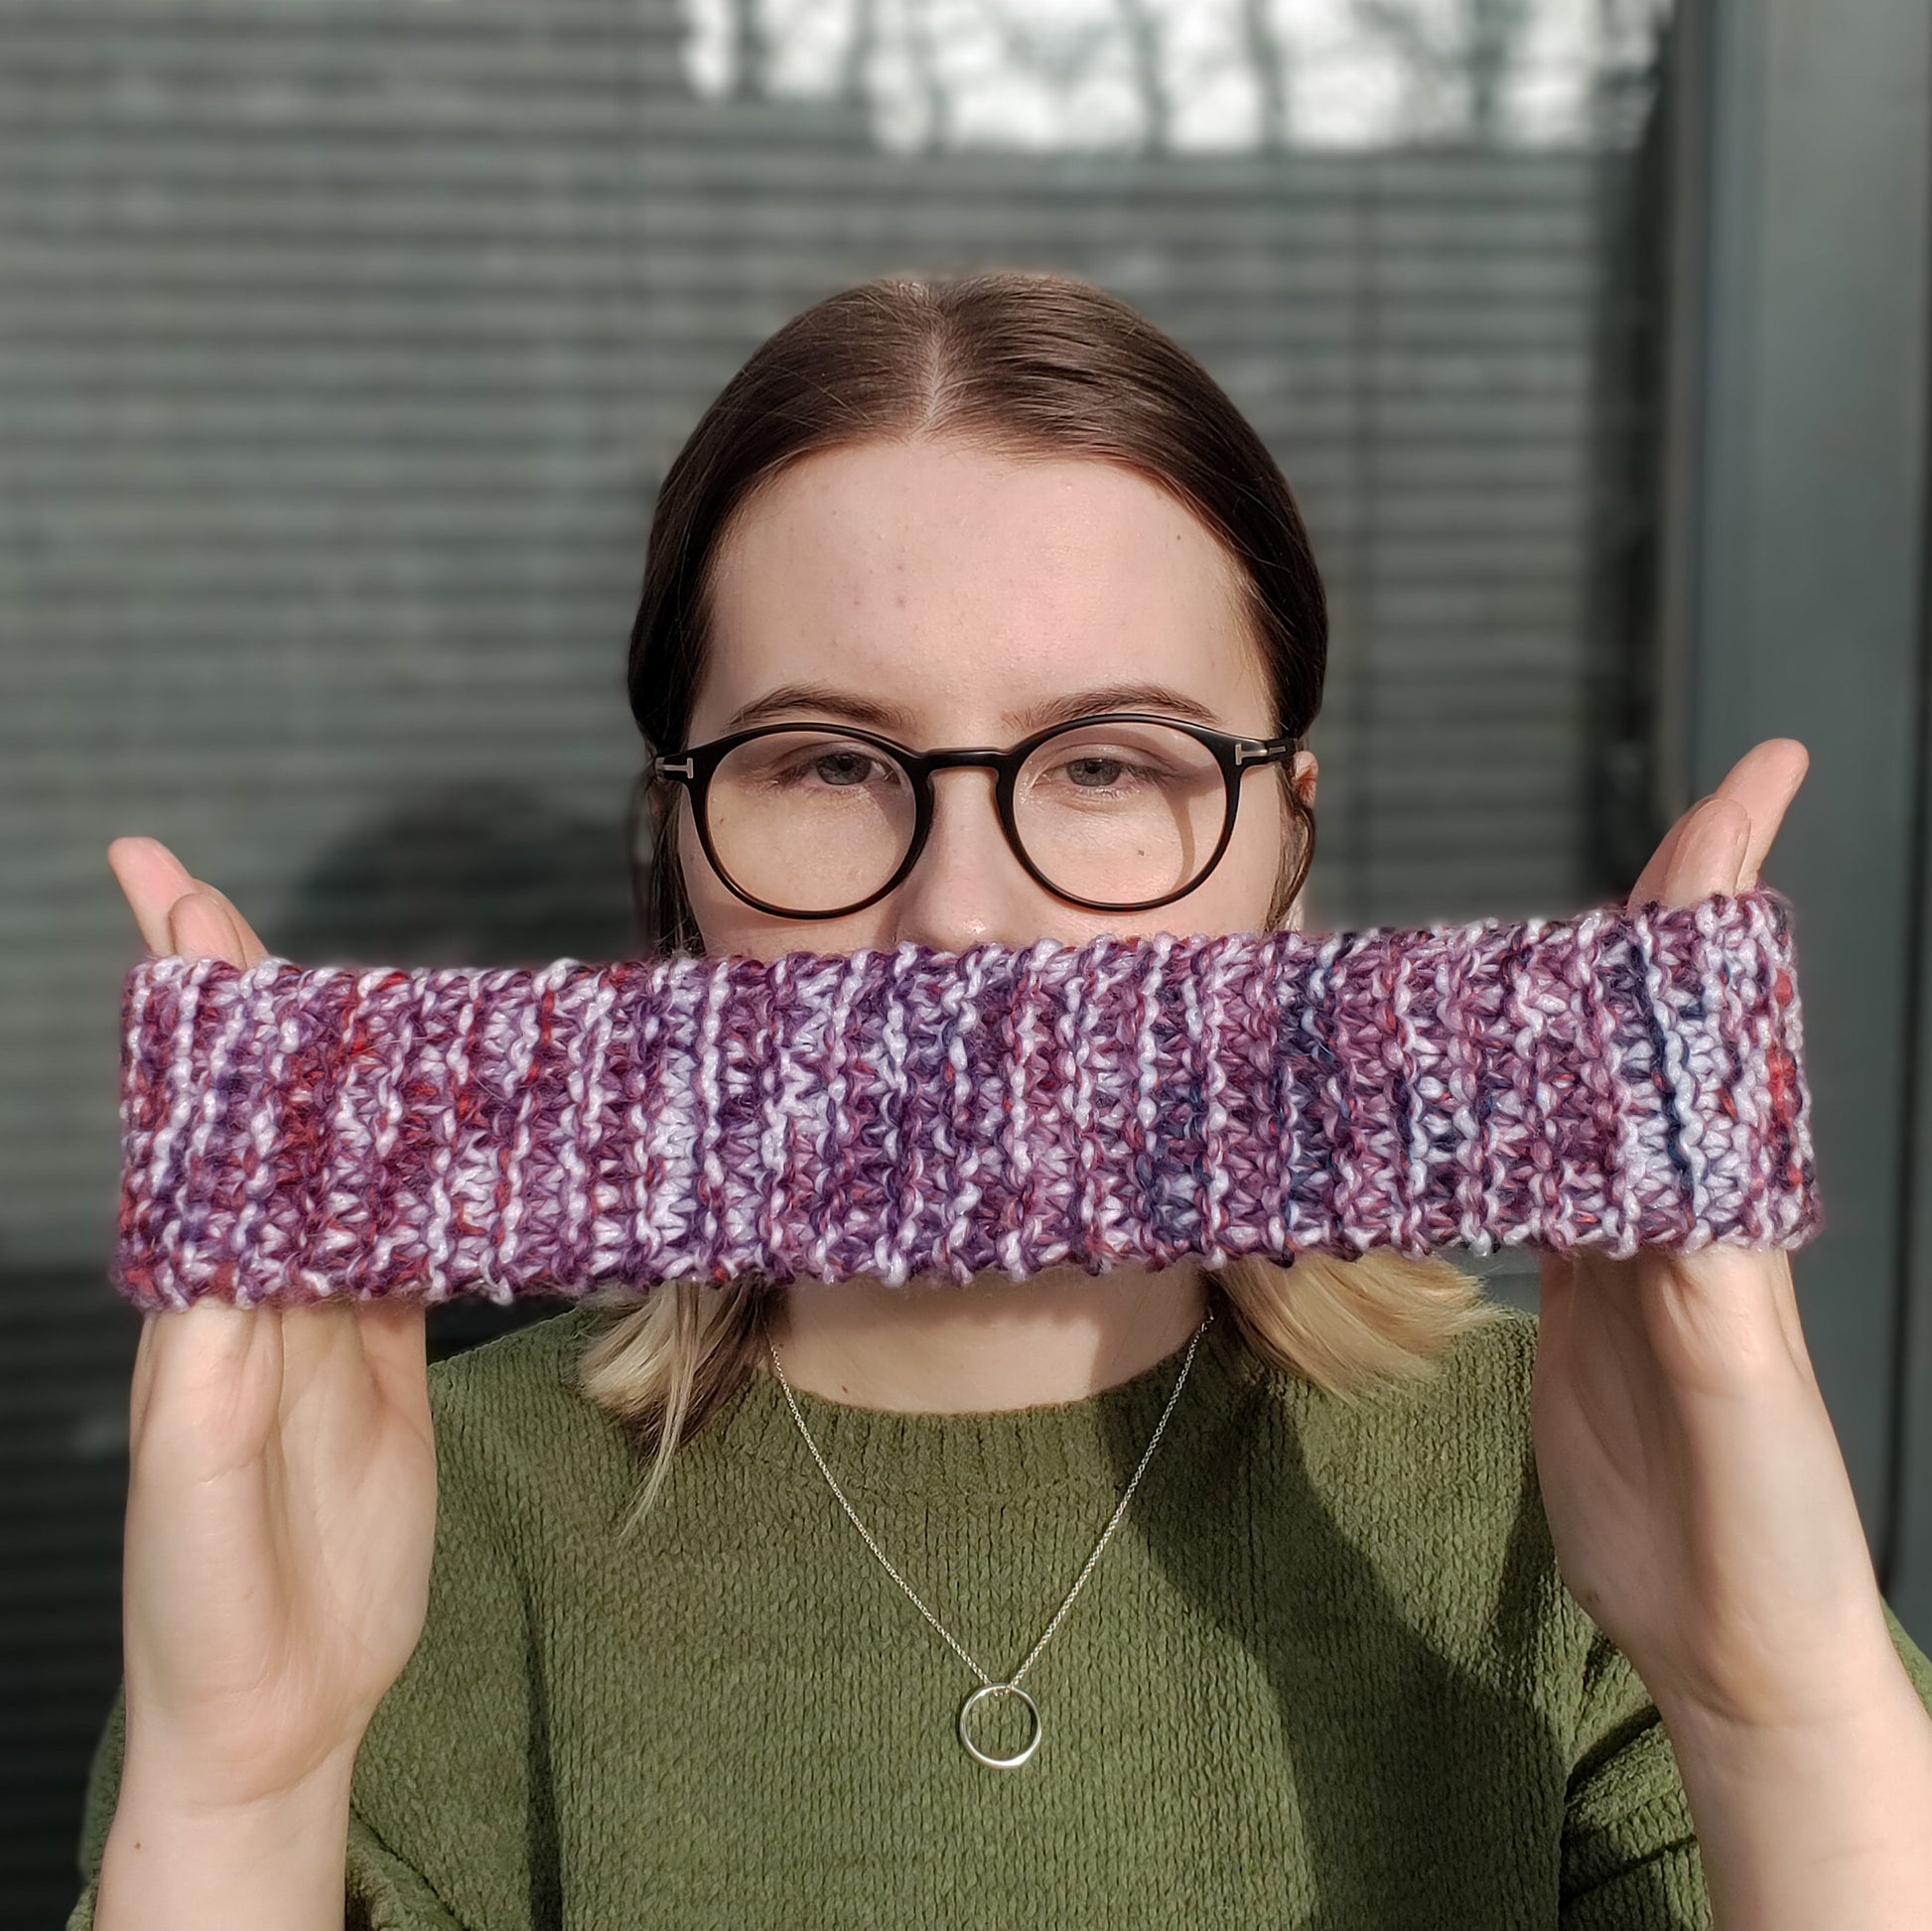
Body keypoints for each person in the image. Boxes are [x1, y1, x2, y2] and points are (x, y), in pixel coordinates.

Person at [71, 271, 1932, 1928]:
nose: (960, 910)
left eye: (1107, 761)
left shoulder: (1572, 1493)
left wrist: (1775, 1698)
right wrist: (238, 1789)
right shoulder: (399, 1538)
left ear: (1285, 831)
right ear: (680, 844)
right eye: (825, 760)